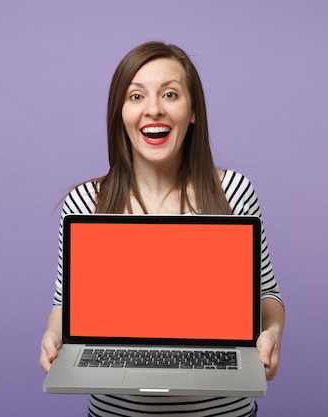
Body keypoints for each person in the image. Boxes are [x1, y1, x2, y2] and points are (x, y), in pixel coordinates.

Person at [40, 41, 285, 417]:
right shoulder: (87, 203)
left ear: (192, 113)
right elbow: (65, 304)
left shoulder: (233, 192)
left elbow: (266, 294)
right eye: (136, 96)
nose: (153, 108)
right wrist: (54, 335)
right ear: (120, 114)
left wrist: (270, 334)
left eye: (170, 94)